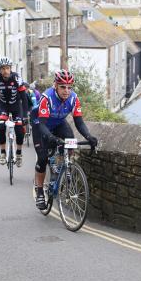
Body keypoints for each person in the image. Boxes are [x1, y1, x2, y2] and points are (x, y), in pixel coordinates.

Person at [32, 70, 98, 210]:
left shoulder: (73, 98)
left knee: (70, 141)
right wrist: (50, 137)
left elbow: (79, 122)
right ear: (55, 85)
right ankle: (39, 191)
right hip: (41, 124)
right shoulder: (47, 97)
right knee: (42, 158)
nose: (66, 91)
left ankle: (64, 165)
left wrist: (89, 136)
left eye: (69, 87)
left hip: (58, 123)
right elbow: (42, 124)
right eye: (63, 87)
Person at [0, 57, 28, 167]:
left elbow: (24, 98)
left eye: (7, 68)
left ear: (10, 68)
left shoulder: (17, 78)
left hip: (16, 106)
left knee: (19, 130)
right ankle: (3, 153)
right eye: (2, 68)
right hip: (3, 106)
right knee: (1, 126)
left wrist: (25, 115)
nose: (5, 71)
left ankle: (19, 154)